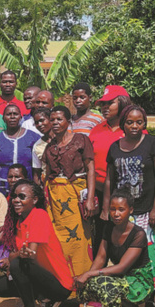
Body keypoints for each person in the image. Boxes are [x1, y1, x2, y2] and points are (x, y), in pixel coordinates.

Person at [102, 104, 155, 307]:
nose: (135, 126)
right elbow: (110, 179)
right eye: (130, 122)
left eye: (139, 122)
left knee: (150, 256)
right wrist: (106, 207)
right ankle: (128, 293)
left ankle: (149, 300)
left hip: (146, 210)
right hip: (121, 212)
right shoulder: (115, 147)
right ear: (123, 124)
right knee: (125, 255)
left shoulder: (152, 144)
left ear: (144, 123)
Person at [0, 182, 77, 307]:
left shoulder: (39, 215)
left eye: (22, 196)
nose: (16, 200)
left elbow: (29, 254)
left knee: (18, 265)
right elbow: (19, 253)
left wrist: (14, 257)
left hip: (60, 284)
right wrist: (14, 257)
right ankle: (45, 300)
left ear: (34, 200)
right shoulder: (19, 221)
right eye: (14, 196)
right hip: (42, 275)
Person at [74, 189, 155, 307]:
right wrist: (87, 279)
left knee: (107, 288)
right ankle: (118, 306)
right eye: (113, 209)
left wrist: (88, 274)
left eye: (121, 209)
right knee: (88, 286)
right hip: (119, 275)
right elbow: (101, 257)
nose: (116, 214)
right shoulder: (109, 227)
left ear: (130, 210)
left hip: (137, 279)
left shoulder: (138, 234)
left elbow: (122, 267)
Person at [41, 105, 96, 278]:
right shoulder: (50, 147)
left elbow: (90, 170)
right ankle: (63, 281)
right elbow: (48, 175)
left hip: (76, 196)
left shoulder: (80, 140)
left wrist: (89, 199)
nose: (55, 123)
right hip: (56, 199)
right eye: (52, 119)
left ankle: (81, 279)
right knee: (59, 238)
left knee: (79, 238)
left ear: (68, 121)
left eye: (59, 119)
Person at [88, 85, 132, 248]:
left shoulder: (133, 129)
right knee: (101, 233)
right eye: (102, 105)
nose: (104, 108)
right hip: (99, 191)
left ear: (122, 103)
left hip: (125, 191)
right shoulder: (96, 130)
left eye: (109, 103)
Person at [0, 104, 40, 196]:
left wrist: (37, 185)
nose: (12, 117)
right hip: (1, 186)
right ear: (3, 118)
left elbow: (37, 167)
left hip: (26, 185)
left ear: (20, 117)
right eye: (8, 114)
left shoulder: (33, 137)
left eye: (15, 114)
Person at [30, 108, 54, 183]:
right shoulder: (37, 146)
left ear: (50, 119)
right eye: (36, 122)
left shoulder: (63, 140)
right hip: (47, 185)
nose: (39, 125)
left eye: (42, 120)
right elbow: (37, 173)